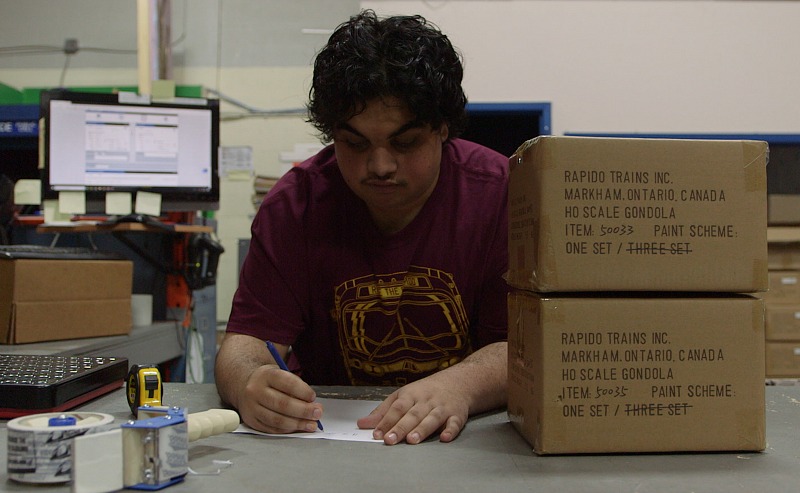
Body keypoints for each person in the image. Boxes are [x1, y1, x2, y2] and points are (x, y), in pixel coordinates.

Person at [215, 9, 509, 445]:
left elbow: (532, 346)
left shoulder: (503, 196)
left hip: (471, 441)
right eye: (353, 143)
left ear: (443, 129)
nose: (380, 166)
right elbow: (244, 343)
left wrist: (460, 385)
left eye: (405, 142)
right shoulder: (295, 207)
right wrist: (249, 382)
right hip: (329, 440)